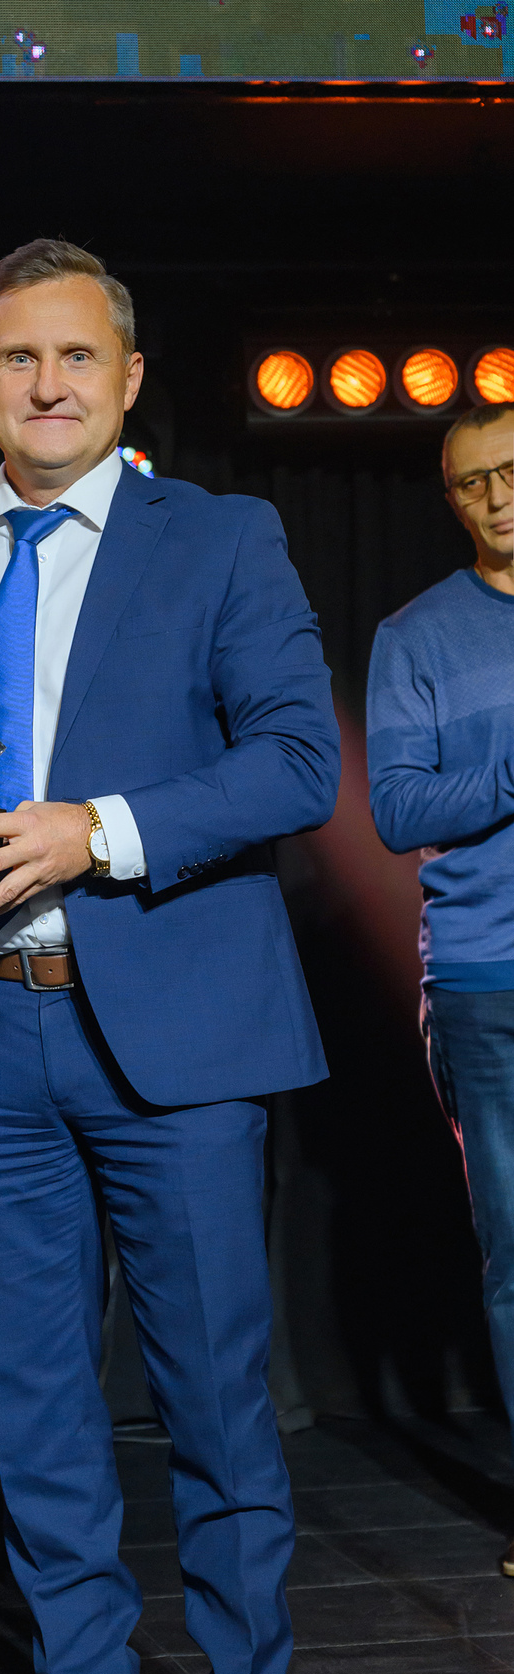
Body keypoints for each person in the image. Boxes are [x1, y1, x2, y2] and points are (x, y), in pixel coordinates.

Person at [0, 238, 340, 1674]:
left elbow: (296, 761)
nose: (47, 384)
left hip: (176, 1033)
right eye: (18, 358)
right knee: (32, 1399)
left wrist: (97, 830)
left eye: (77, 357)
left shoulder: (221, 537)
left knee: (210, 1396)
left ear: (129, 381)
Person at [367, 399, 514, 1576]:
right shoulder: (414, 635)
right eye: (471, 482)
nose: (496, 496)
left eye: (509, 471)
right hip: (485, 979)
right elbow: (397, 807)